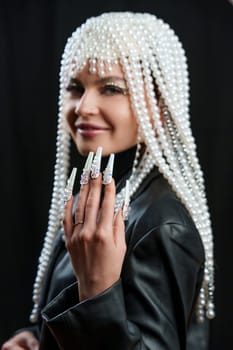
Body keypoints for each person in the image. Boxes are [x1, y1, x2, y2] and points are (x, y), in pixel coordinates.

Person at [2, 11, 215, 350]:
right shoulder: (110, 195)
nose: (83, 106)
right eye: (75, 87)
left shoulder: (161, 224)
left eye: (111, 88)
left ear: (159, 106)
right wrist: (41, 341)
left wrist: (98, 289)